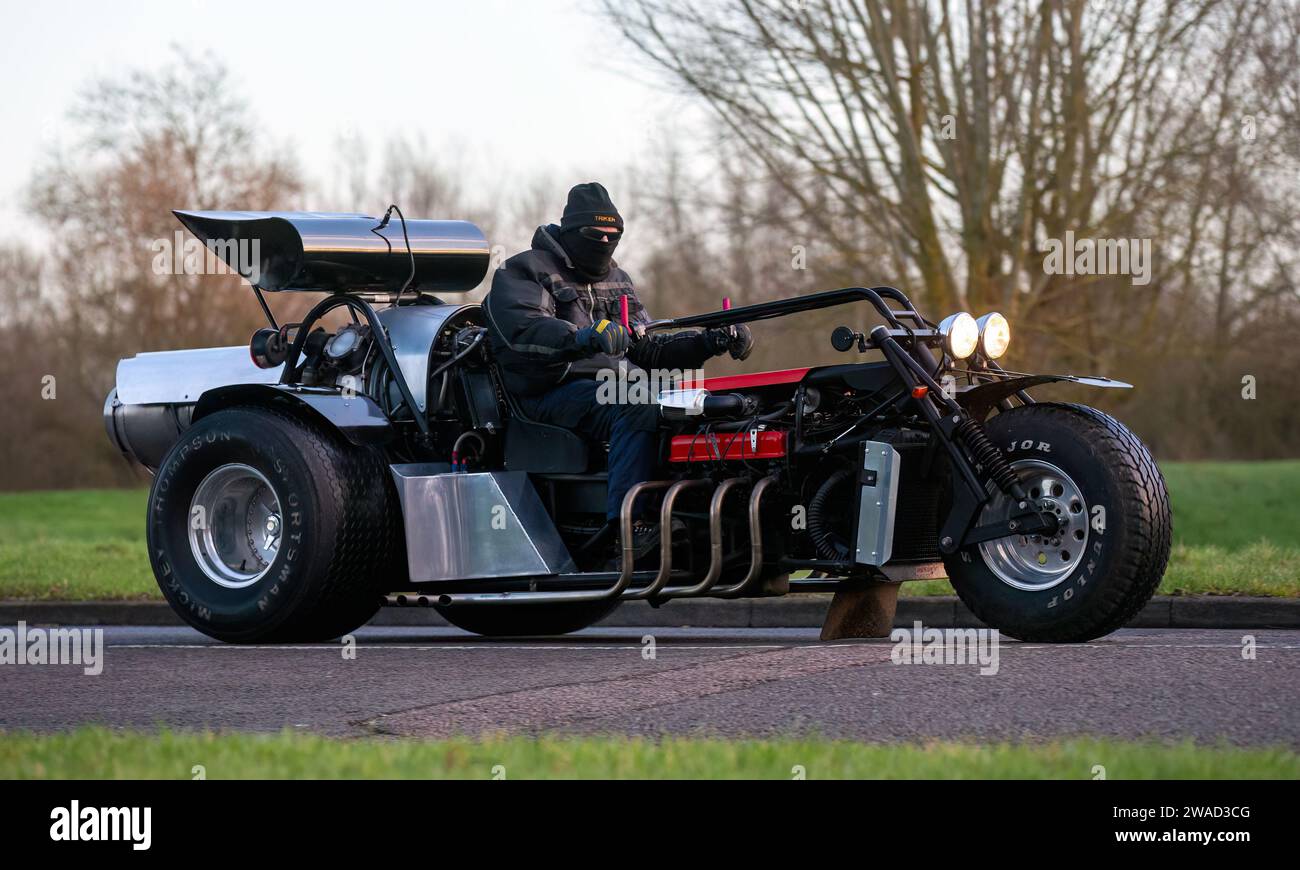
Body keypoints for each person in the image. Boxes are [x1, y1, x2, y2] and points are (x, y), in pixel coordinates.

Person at [484, 182, 752, 550]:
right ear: (572, 231)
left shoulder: (617, 279)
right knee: (635, 401)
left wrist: (707, 342)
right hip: (545, 392)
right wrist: (582, 337)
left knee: (693, 401)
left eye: (615, 235)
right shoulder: (524, 270)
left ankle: (704, 512)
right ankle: (631, 526)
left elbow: (651, 349)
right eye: (597, 234)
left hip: (608, 388)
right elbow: (523, 333)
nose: (606, 242)